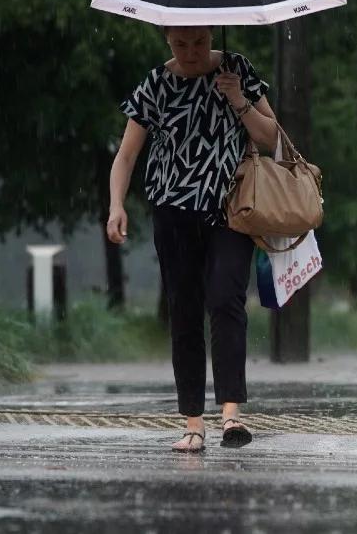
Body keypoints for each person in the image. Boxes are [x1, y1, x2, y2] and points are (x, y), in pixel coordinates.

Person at [107, 26, 278, 452]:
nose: (190, 52)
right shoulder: (156, 84)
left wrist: (238, 99)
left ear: (209, 34)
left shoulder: (237, 69)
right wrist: (116, 205)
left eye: (198, 42)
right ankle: (193, 423)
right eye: (180, 44)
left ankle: (231, 415)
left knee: (226, 299)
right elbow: (126, 155)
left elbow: (271, 137)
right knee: (183, 312)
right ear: (167, 38)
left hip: (231, 209)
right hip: (173, 213)